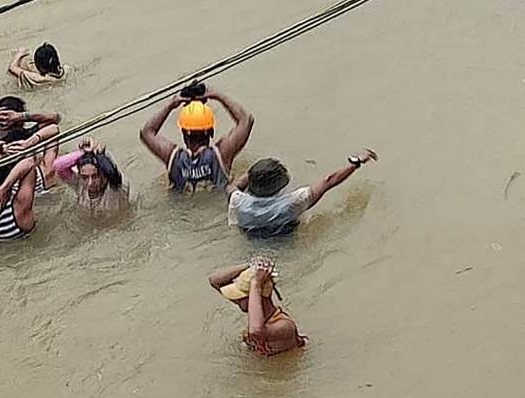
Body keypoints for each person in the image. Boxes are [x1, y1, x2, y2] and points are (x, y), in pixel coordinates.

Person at [226, 149, 378, 237]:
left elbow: (232, 187)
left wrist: (253, 173)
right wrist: (355, 163)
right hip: (287, 240)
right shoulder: (292, 203)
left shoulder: (237, 201)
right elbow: (329, 181)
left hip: (251, 238)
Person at [140, 83, 254, 193]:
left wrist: (171, 105)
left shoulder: (173, 157)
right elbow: (246, 120)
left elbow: (146, 132)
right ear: (211, 132)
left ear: (183, 134)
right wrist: (217, 95)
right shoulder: (222, 154)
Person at [209, 258, 306, 356]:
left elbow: (256, 331)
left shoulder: (285, 326)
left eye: (240, 298)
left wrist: (256, 284)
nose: (236, 301)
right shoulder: (255, 314)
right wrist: (252, 266)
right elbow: (214, 281)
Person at [50, 139, 129, 212]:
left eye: (95, 176)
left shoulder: (115, 187)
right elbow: (57, 165)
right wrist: (83, 152)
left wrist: (99, 153)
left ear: (104, 175)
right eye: (85, 177)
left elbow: (111, 172)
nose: (90, 183)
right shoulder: (79, 183)